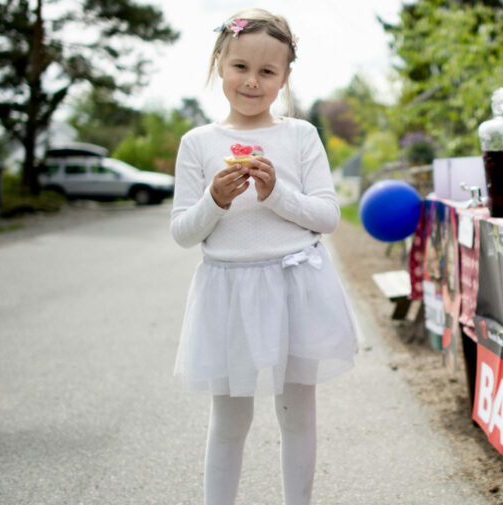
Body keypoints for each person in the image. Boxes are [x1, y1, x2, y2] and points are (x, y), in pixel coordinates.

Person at [169, 9, 358, 505]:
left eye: (267, 72)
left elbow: (328, 216)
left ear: (284, 78)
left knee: (296, 414)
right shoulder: (198, 144)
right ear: (219, 64)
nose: (252, 82)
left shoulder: (300, 136)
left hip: (295, 285)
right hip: (228, 290)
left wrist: (276, 194)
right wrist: (215, 199)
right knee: (230, 420)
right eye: (240, 67)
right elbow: (183, 233)